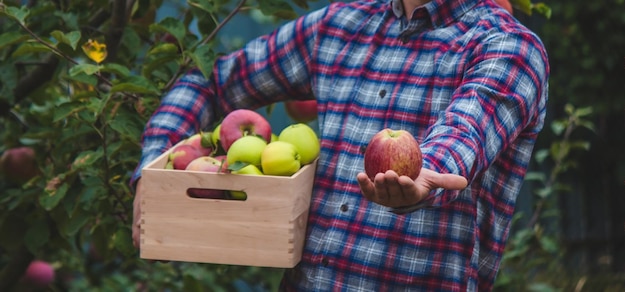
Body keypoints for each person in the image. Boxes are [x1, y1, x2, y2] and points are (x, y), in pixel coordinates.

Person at [130, 0, 550, 289]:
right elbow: (209, 81)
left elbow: (465, 132)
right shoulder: (337, 27)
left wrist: (422, 173)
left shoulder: (508, 48)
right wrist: (153, 169)